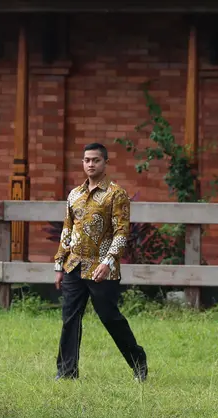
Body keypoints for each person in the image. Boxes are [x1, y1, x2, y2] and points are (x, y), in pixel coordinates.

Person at [53, 143, 148, 382]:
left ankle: (138, 361)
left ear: (105, 163)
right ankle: (66, 372)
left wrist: (107, 262)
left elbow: (121, 233)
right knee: (70, 319)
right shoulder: (74, 194)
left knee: (109, 317)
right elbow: (67, 229)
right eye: (86, 160)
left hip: (102, 270)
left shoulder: (116, 194)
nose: (90, 164)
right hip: (73, 266)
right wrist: (59, 265)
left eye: (95, 160)